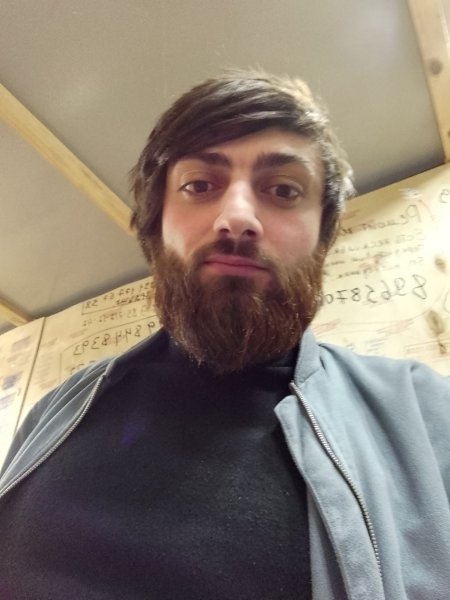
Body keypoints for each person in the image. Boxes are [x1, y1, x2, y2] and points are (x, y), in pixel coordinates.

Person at [0, 71, 449, 600]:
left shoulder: (423, 412)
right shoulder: (55, 410)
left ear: (322, 236)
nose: (237, 218)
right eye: (199, 186)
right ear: (154, 226)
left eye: (283, 190)